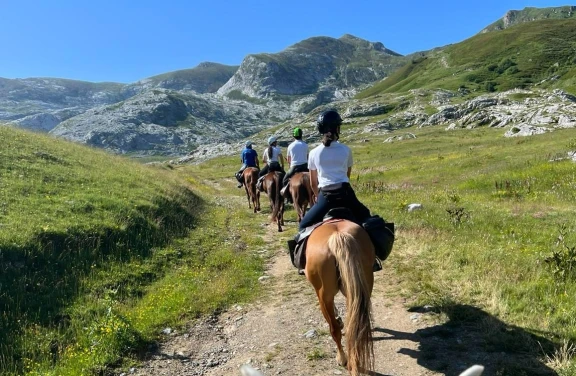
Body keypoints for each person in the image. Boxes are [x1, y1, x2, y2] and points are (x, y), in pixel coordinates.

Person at [288, 109, 392, 274]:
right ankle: (374, 259)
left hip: (325, 196)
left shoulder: (314, 153)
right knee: (367, 218)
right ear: (337, 128)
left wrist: (317, 196)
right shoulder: (346, 150)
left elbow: (314, 183)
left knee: (304, 224)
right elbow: (347, 175)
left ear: (320, 129)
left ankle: (303, 264)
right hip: (346, 193)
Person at [279, 127, 309, 202]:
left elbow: (289, 160)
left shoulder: (290, 146)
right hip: (305, 166)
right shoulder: (305, 145)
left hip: (295, 167)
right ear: (301, 135)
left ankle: (288, 198)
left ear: (293, 136)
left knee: (285, 180)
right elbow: (307, 157)